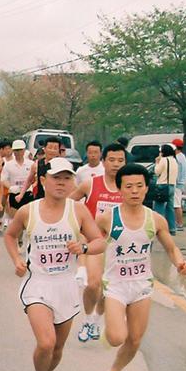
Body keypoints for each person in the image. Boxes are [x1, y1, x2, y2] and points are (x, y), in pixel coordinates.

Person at [4, 157, 105, 371]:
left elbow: (99, 242)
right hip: (37, 284)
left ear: (73, 182)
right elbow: (10, 234)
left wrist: (83, 246)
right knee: (46, 342)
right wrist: (17, 259)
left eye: (67, 178)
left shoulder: (78, 211)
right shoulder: (29, 211)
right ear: (42, 181)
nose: (61, 183)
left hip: (66, 286)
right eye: (56, 178)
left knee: (57, 348)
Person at [96, 164, 186, 371]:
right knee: (118, 337)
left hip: (141, 286)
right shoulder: (107, 219)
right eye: (128, 187)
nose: (134, 191)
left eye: (139, 186)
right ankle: (109, 325)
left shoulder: (156, 220)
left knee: (135, 339)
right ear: (120, 189)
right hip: (115, 285)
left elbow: (171, 248)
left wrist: (180, 262)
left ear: (147, 188)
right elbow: (93, 243)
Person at [68, 143, 126, 343]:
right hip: (95, 243)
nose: (116, 164)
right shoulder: (90, 185)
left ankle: (96, 319)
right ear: (103, 161)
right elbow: (67, 204)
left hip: (119, 247)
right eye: (112, 160)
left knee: (108, 290)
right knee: (93, 284)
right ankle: (87, 318)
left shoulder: (129, 188)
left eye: (120, 160)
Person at [2, 140, 35, 223]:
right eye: (16, 150)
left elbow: (35, 178)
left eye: (20, 150)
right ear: (13, 151)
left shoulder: (31, 164)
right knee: (16, 220)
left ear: (24, 150)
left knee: (27, 220)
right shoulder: (8, 165)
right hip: (15, 193)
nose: (18, 152)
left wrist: (32, 186)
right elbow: (3, 179)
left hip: (28, 193)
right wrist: (10, 187)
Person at [153, 144, 180, 235]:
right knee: (170, 208)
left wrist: (157, 162)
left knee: (159, 208)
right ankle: (172, 228)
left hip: (162, 185)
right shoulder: (174, 160)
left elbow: (157, 172)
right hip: (172, 185)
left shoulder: (164, 160)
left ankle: (158, 228)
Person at [172, 138, 186, 233]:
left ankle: (179, 224)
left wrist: (174, 181)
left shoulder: (177, 158)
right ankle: (178, 223)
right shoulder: (182, 156)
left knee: (176, 205)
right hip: (181, 183)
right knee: (177, 203)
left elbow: (177, 173)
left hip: (177, 184)